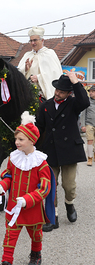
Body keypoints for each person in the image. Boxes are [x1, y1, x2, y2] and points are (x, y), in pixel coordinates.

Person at [0, 111, 53, 265]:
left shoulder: (41, 162)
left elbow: (45, 187)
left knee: (36, 235)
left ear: (32, 140)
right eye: (16, 139)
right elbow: (9, 176)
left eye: (21, 139)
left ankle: (36, 255)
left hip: (32, 208)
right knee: (9, 238)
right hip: (14, 208)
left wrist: (28, 199)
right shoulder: (13, 158)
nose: (16, 142)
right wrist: (2, 186)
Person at [36, 70, 90, 232]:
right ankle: (54, 217)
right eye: (57, 90)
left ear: (68, 93)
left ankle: (69, 205)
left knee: (69, 186)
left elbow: (85, 102)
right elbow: (39, 126)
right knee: (51, 185)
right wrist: (27, 137)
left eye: (62, 91)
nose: (58, 93)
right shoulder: (45, 106)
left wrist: (76, 82)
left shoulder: (74, 104)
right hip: (50, 150)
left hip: (69, 151)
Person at [18, 26, 62, 100]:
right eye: (31, 41)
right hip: (26, 94)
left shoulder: (50, 53)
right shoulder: (27, 55)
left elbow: (55, 75)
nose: (32, 43)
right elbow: (17, 74)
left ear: (42, 40)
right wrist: (25, 69)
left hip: (43, 96)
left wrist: (39, 78)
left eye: (35, 40)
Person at [80, 85, 95, 166]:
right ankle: (89, 158)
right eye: (90, 92)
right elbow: (83, 114)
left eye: (93, 91)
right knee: (90, 140)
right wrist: (83, 125)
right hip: (89, 123)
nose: (91, 93)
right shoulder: (87, 102)